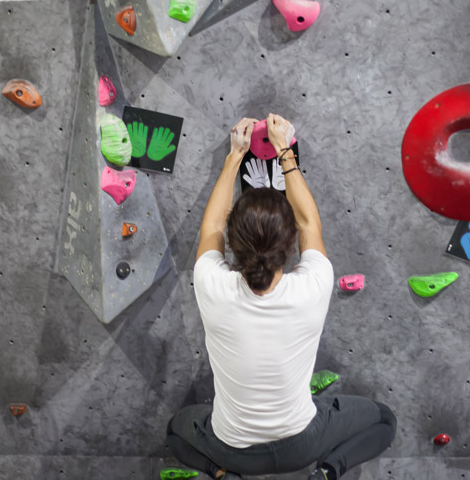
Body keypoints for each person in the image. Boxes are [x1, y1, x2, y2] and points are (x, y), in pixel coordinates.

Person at [166, 114, 396, 479]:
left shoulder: (212, 283)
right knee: (384, 420)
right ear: (291, 245)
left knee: (175, 431)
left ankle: (222, 475)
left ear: (233, 245)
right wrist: (284, 151)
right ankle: (327, 473)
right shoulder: (313, 285)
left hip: (232, 450)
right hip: (302, 444)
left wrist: (235, 156)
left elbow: (211, 226)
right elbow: (309, 223)